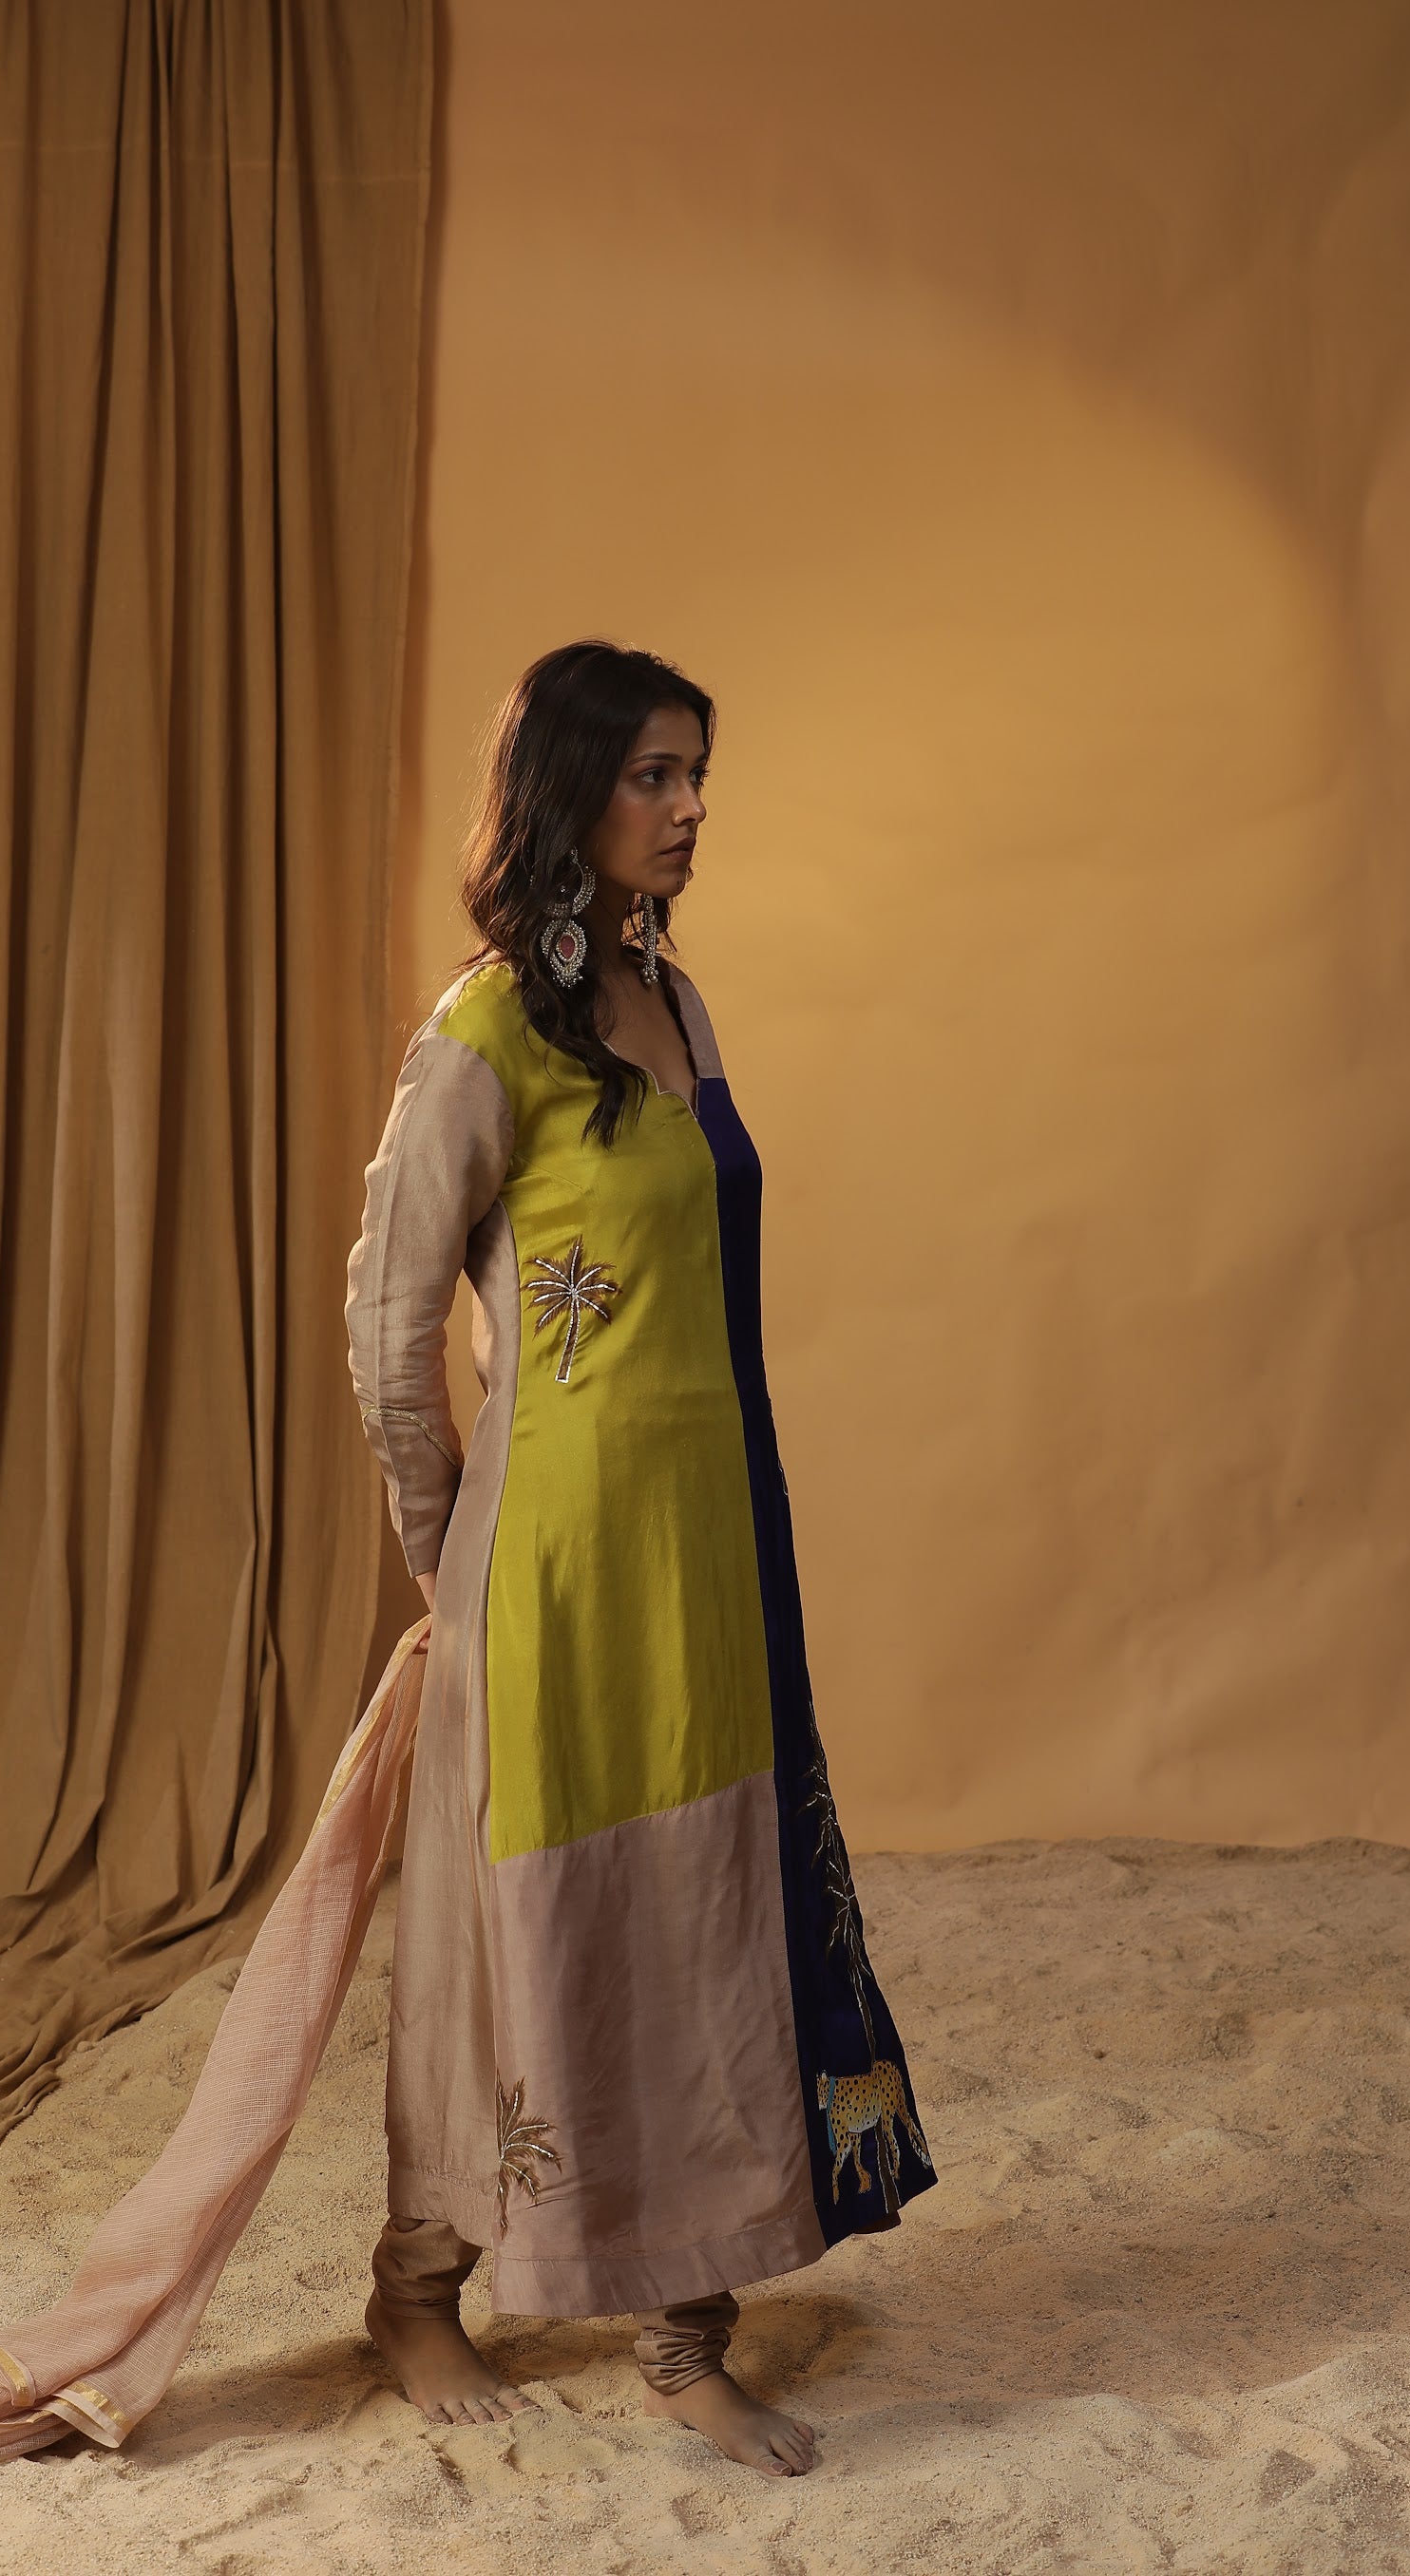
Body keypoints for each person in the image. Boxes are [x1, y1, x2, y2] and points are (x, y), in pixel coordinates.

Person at [345, 639, 934, 2478]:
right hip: (551, 1573)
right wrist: (453, 1564)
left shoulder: (675, 1003)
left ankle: (685, 2331)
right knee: (522, 1933)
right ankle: (419, 2292)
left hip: (711, 1546)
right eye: (653, 777)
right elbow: (388, 1330)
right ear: (568, 794)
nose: (687, 812)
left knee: (706, 1919)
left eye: (696, 778)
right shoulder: (481, 1037)